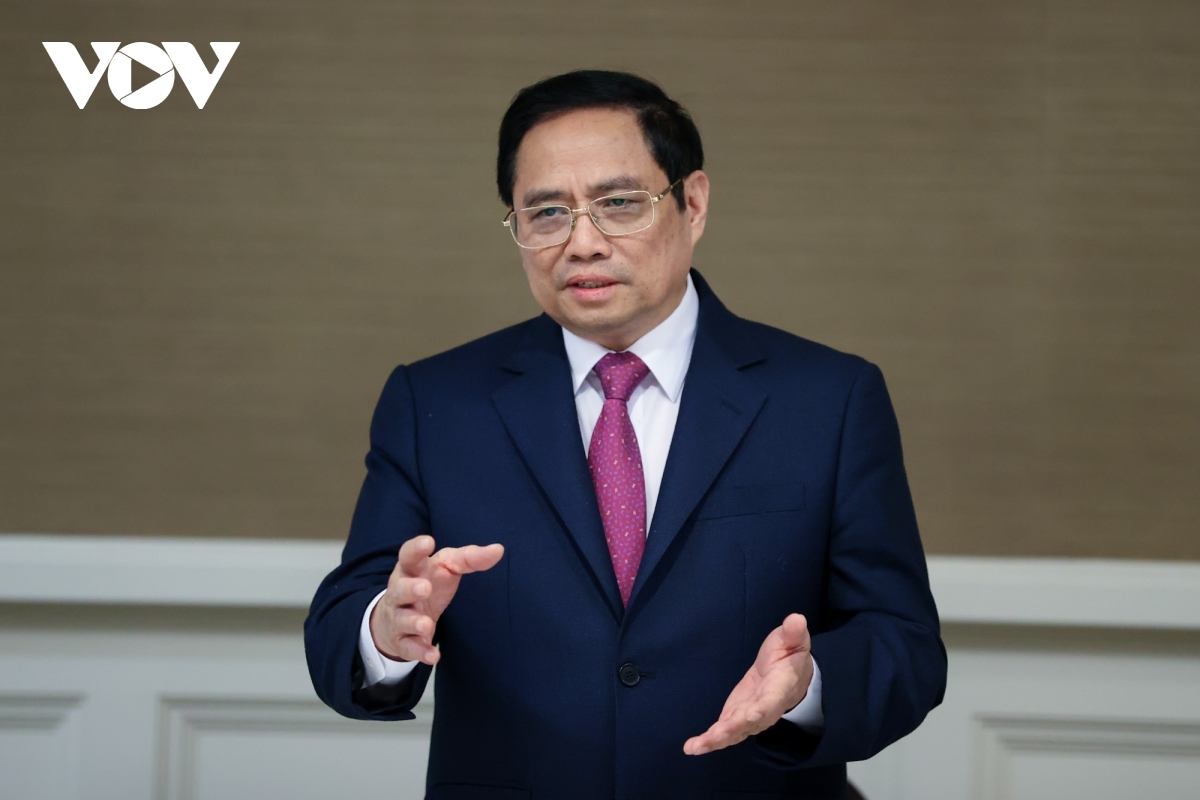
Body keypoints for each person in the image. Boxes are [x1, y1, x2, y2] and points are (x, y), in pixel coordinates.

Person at [305, 70, 946, 800]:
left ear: (693, 203)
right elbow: (339, 636)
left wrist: (806, 686)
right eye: (547, 213)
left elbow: (904, 647)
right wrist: (385, 634)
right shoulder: (437, 403)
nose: (582, 243)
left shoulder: (828, 399)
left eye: (618, 204)